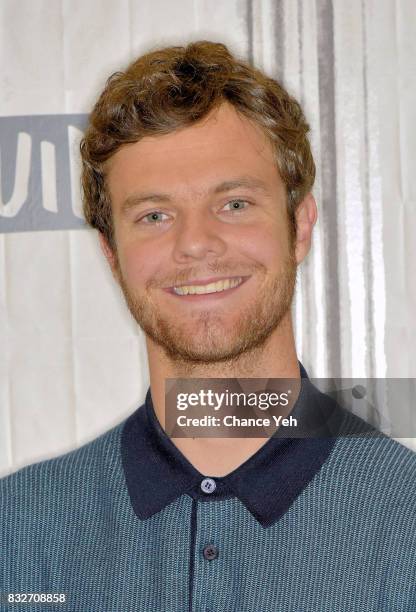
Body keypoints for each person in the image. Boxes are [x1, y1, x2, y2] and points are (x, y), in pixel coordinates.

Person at [1, 40, 415, 612]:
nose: (195, 243)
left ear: (299, 227)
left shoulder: (406, 519)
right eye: (154, 215)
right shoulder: (18, 533)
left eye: (235, 204)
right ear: (113, 255)